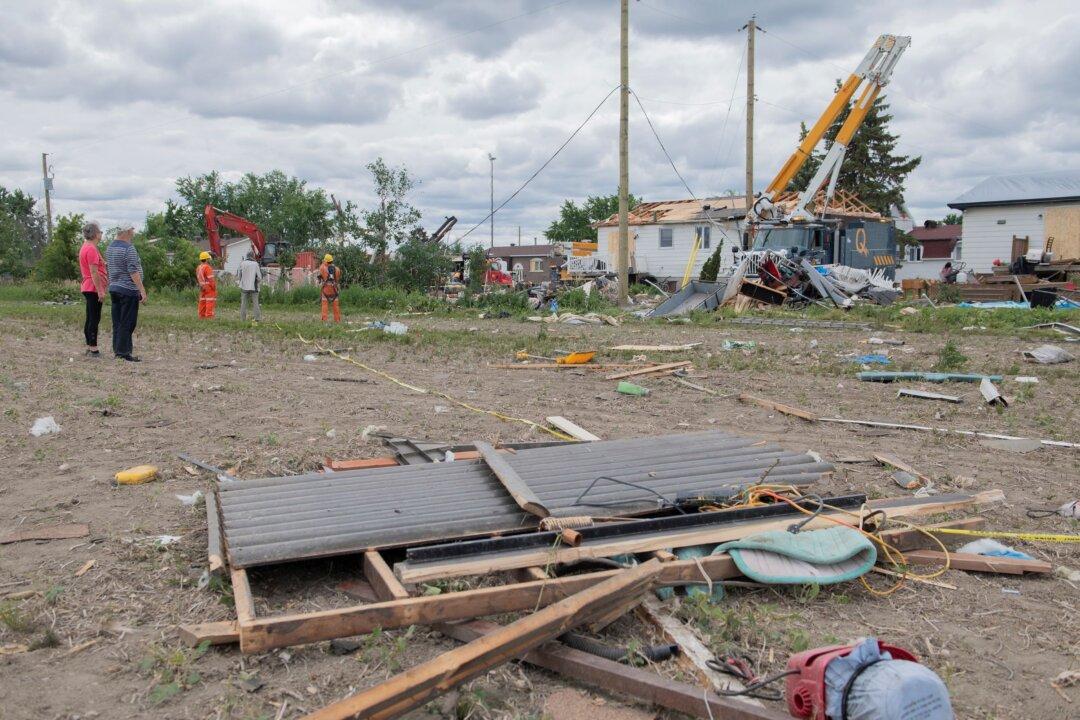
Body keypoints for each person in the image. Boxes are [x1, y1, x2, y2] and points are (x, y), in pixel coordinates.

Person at [106, 225, 146, 362]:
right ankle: (124, 352)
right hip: (128, 289)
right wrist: (141, 289)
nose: (133, 233)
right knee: (127, 322)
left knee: (117, 321)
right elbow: (133, 271)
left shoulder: (110, 247)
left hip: (114, 288)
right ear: (127, 231)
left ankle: (118, 349)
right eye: (132, 230)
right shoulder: (129, 248)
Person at [78, 221, 107, 356]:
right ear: (95, 234)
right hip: (92, 287)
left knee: (91, 317)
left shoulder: (87, 247)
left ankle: (90, 345)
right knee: (94, 318)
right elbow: (94, 272)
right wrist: (100, 290)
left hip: (88, 286)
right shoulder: (91, 249)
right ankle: (93, 348)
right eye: (100, 231)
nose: (101, 234)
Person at [236, 251, 262, 323]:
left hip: (244, 286)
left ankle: (242, 319)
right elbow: (259, 277)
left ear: (247, 256)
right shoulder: (255, 264)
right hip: (254, 287)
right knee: (255, 303)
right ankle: (257, 319)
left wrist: (242, 281)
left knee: (243, 303)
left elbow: (239, 275)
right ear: (253, 256)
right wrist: (258, 281)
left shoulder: (242, 263)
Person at [318, 253, 342, 323]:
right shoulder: (337, 269)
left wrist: (324, 262)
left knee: (324, 306)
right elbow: (337, 280)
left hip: (326, 290)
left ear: (325, 261)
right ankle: (337, 320)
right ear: (332, 261)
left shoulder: (322, 268)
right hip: (334, 290)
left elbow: (321, 269)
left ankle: (324, 320)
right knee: (336, 306)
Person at [196, 251, 217, 318]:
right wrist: (214, 287)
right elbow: (211, 279)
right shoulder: (207, 267)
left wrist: (202, 286)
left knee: (202, 301)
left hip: (202, 287)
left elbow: (199, 278)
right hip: (209, 287)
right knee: (209, 302)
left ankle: (201, 316)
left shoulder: (198, 267)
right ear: (207, 259)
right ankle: (209, 316)